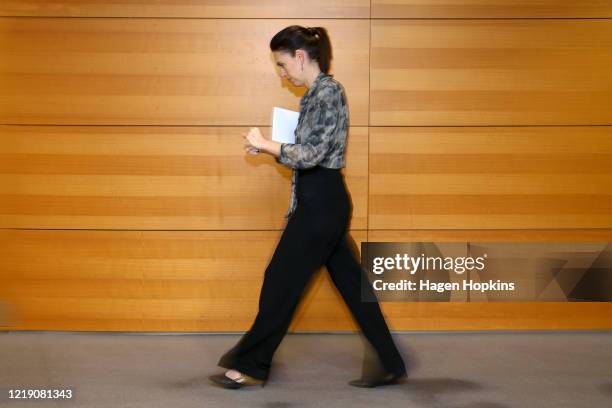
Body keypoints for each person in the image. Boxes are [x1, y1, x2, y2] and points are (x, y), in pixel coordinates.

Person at [209, 25, 407, 389]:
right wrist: (269, 148)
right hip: (323, 200)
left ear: (300, 57)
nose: (282, 73)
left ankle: (250, 364)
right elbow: (310, 154)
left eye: (283, 65)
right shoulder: (319, 94)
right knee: (351, 285)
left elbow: (314, 154)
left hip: (321, 206)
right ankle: (390, 363)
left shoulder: (326, 93)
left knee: (280, 282)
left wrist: (269, 145)